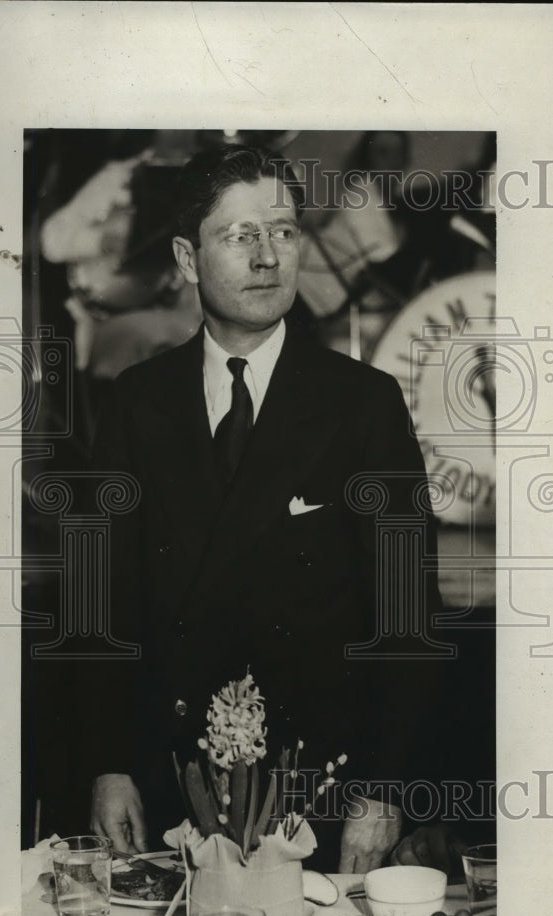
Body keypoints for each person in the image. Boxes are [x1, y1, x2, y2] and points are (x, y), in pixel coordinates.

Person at [86, 144, 445, 874]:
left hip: (319, 801)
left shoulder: (363, 405)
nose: (266, 257)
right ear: (187, 260)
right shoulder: (136, 402)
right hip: (172, 793)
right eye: (237, 235)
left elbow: (407, 615)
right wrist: (109, 765)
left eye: (282, 232)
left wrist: (380, 790)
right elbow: (104, 602)